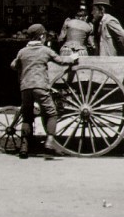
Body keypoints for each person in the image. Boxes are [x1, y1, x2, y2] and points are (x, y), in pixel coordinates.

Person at [11, 23, 77, 159]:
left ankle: (24, 147)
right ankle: (50, 141)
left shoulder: (22, 51)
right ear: (41, 36)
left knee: (27, 116)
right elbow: (60, 60)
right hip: (40, 86)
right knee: (52, 113)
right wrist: (72, 58)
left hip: (25, 88)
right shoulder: (45, 50)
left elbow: (13, 65)